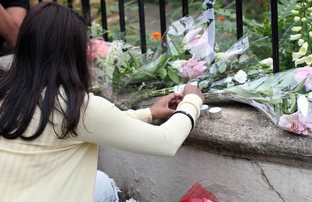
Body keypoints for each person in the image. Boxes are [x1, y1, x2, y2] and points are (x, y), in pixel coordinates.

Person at [0, 2, 204, 202]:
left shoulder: (8, 92)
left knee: (100, 182)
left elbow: (85, 125)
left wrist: (148, 113)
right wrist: (193, 99)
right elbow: (166, 142)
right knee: (104, 187)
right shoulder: (76, 105)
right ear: (73, 52)